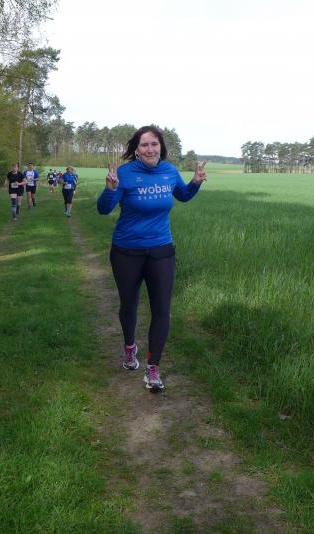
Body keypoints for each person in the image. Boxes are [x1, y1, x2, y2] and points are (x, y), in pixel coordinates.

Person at [96, 125, 207, 392]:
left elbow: (182, 196)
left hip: (161, 250)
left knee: (162, 310)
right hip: (126, 251)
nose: (150, 149)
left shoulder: (169, 171)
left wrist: (195, 182)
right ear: (136, 149)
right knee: (129, 305)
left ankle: (153, 368)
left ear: (161, 147)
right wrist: (110, 189)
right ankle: (129, 347)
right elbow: (103, 210)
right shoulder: (125, 174)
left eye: (154, 144)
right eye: (144, 145)